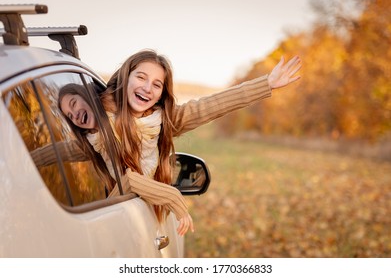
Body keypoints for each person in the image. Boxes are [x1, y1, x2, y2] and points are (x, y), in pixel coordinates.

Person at [59, 49, 302, 236]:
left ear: (162, 93)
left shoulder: (164, 120)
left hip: (132, 221)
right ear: (126, 77)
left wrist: (266, 84)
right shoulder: (96, 120)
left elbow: (212, 105)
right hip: (110, 220)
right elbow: (64, 151)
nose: (147, 87)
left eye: (157, 84)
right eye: (141, 77)